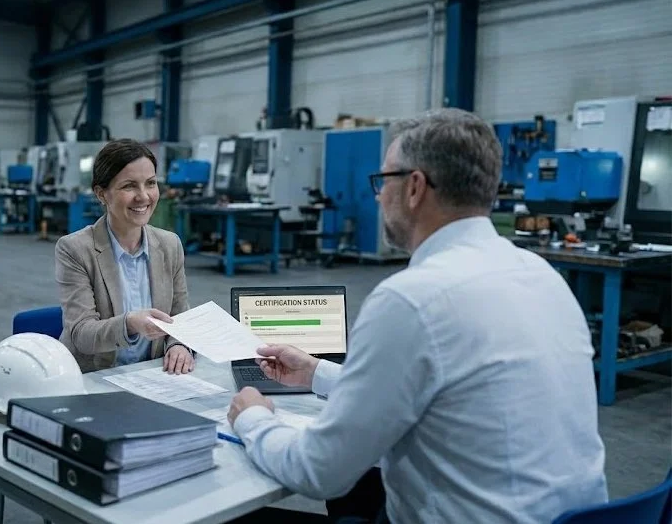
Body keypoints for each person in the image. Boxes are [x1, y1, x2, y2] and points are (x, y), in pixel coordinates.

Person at [226, 109, 608, 524]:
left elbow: (318, 471)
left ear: (413, 187)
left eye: (383, 180)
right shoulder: (541, 276)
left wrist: (253, 418)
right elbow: (443, 388)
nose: (377, 195)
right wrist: (315, 372)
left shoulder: (411, 300)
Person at [55, 139, 195, 375]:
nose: (144, 196)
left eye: (150, 183)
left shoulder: (170, 245)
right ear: (101, 194)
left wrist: (179, 345)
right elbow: (81, 334)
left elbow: (179, 317)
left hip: (153, 375)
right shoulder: (75, 249)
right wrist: (129, 323)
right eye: (129, 186)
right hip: (94, 378)